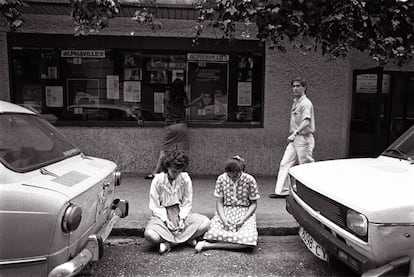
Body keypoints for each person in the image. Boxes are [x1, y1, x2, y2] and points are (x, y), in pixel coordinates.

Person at [144, 150, 210, 254]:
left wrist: (182, 220)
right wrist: (166, 221)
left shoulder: (185, 178)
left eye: (179, 171)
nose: (176, 174)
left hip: (179, 213)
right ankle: (186, 240)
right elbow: (155, 205)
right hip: (162, 214)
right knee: (150, 234)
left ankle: (169, 244)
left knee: (206, 223)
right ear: (167, 167)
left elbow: (187, 202)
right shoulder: (158, 180)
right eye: (174, 171)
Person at [195, 155, 260, 252]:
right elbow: (219, 202)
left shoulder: (250, 180)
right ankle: (219, 242)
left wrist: (243, 219)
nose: (233, 178)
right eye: (230, 176)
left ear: (240, 172)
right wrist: (223, 219)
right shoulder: (221, 179)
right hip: (226, 210)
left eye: (236, 176)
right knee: (210, 233)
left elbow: (253, 204)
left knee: (249, 240)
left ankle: (209, 246)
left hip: (245, 211)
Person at [269, 77, 315, 198]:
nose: (295, 88)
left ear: (304, 88)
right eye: (293, 86)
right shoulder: (296, 101)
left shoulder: (306, 103)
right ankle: (282, 191)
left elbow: (306, 121)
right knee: (285, 163)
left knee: (306, 166)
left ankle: (313, 192)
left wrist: (295, 133)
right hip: (295, 139)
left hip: (303, 138)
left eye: (298, 86)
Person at [145, 78, 189, 179]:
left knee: (164, 151)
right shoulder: (183, 96)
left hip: (171, 125)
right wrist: (199, 99)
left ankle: (156, 172)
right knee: (181, 150)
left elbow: (165, 110)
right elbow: (187, 105)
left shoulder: (168, 95)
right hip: (182, 125)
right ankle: (180, 171)